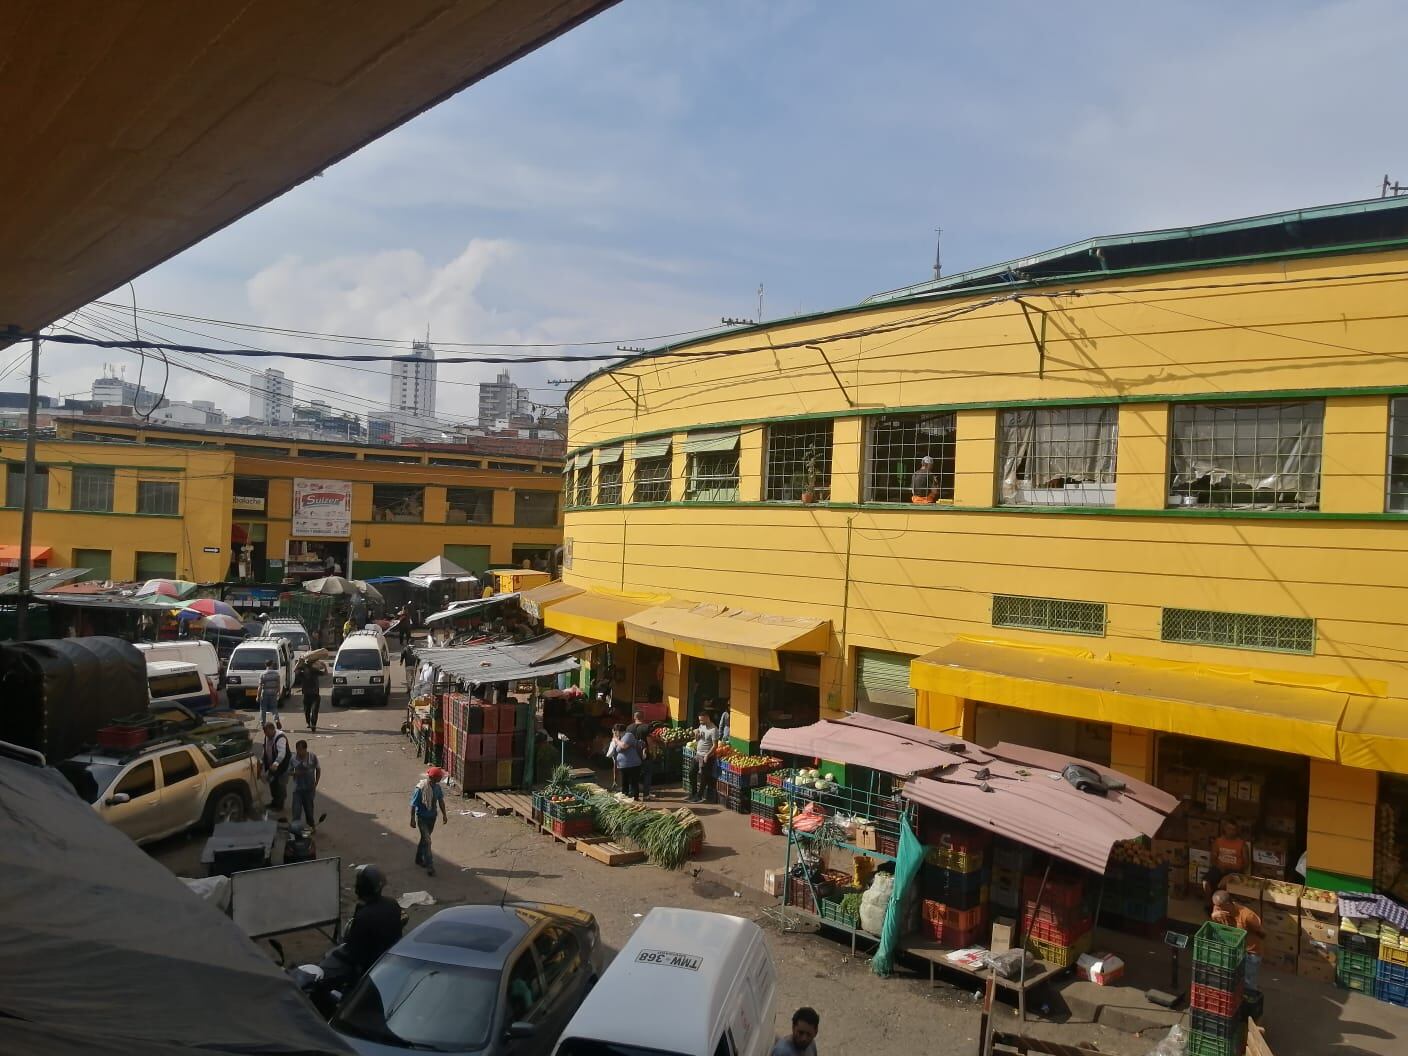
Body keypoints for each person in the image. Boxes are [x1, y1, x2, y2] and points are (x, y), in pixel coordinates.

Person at [341, 864, 402, 978]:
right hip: (391, 960)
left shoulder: (364, 916)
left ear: (360, 889)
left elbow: (353, 951)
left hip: (370, 969)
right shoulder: (392, 904)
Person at [1211, 890, 1265, 992]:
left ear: (1227, 904)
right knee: (1234, 980)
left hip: (1251, 953)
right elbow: (1215, 915)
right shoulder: (1219, 911)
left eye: (1219, 906)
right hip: (1235, 950)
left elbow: (1262, 933)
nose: (1217, 908)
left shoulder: (1247, 916)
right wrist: (1213, 916)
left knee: (1248, 983)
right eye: (1216, 906)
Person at [411, 766, 449, 876]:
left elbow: (441, 801)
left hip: (432, 818)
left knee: (424, 839)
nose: (440, 779)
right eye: (439, 778)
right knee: (428, 841)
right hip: (422, 818)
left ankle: (418, 858)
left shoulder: (437, 788)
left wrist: (444, 815)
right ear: (434, 778)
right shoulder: (421, 788)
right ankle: (430, 866)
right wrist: (412, 819)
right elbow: (413, 805)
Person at [1203, 818, 1252, 902]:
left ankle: (1222, 905)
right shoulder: (1218, 842)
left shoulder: (1241, 844)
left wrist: (1236, 872)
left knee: (1223, 884)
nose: (1231, 831)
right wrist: (1219, 866)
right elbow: (1212, 859)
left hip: (1235, 871)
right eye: (1229, 829)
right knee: (1206, 882)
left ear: (1237, 831)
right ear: (1224, 829)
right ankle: (1210, 904)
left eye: (1234, 829)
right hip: (1219, 868)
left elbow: (1246, 863)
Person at [261, 722, 291, 816]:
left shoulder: (280, 737)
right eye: (265, 733)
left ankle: (280, 805)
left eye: (267, 732)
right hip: (272, 766)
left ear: (272, 729)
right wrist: (261, 761)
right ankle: (274, 802)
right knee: (273, 784)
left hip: (282, 766)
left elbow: (282, 753)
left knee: (280, 786)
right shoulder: (267, 736)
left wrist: (276, 763)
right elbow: (265, 749)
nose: (266, 735)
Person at [289, 739, 321, 827]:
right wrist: (295, 773)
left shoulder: (312, 757)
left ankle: (311, 826)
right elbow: (289, 771)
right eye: (297, 749)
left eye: (300, 749)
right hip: (297, 789)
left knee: (309, 811)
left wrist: (316, 783)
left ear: (305, 749)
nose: (298, 752)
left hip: (309, 789)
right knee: (296, 810)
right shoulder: (293, 759)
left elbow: (318, 769)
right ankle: (295, 829)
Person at [608, 723, 644, 800]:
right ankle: (626, 797)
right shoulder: (619, 738)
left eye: (614, 731)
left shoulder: (628, 735)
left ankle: (636, 798)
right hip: (623, 766)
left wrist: (616, 740)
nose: (614, 733)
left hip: (633, 764)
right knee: (625, 783)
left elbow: (624, 746)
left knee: (634, 782)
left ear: (617, 730)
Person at [690, 711, 719, 803]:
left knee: (703, 776)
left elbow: (715, 746)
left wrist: (707, 755)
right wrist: (696, 734)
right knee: (691, 772)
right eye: (699, 720)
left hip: (706, 756)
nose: (700, 722)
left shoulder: (714, 730)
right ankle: (693, 793)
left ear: (707, 717)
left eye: (702, 720)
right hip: (698, 754)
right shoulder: (702, 726)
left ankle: (699, 796)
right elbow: (698, 739)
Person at [629, 710, 657, 801]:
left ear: (634, 717)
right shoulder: (646, 727)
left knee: (633, 774)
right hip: (645, 755)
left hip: (632, 755)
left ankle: (632, 793)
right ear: (643, 717)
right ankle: (646, 795)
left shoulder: (629, 728)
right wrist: (653, 752)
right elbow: (649, 741)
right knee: (647, 774)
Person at [297, 660, 321, 732]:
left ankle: (313, 724)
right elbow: (295, 670)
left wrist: (325, 666)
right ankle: (309, 722)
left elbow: (325, 673)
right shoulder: (303, 674)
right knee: (307, 711)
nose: (307, 670)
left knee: (314, 710)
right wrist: (298, 663)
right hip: (307, 695)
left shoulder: (314, 671)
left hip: (315, 695)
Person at [257, 659, 281, 727]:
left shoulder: (263, 674)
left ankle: (263, 723)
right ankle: (276, 720)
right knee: (274, 708)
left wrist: (258, 696)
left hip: (265, 693)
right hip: (273, 693)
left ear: (265, 665)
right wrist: (278, 693)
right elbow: (278, 684)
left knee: (263, 708)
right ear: (272, 664)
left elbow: (260, 686)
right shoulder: (276, 674)